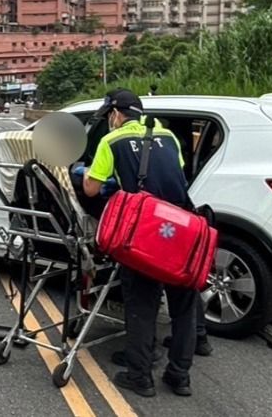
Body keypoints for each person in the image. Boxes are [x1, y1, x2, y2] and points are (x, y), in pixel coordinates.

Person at [77, 88, 202, 398]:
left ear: (117, 114)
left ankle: (140, 376)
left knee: (142, 306)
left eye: (109, 116)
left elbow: (91, 189)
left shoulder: (112, 141)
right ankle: (179, 376)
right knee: (183, 308)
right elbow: (178, 176)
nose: (109, 121)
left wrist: (86, 173)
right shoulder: (169, 137)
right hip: (181, 229)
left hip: (145, 234)